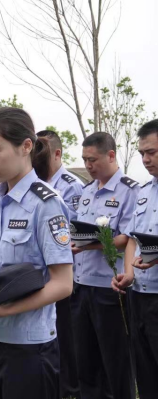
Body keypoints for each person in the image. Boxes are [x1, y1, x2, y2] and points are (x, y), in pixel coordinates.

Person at [0, 107, 74, 399]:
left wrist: (5, 309)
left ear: (26, 146)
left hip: (28, 347)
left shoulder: (46, 204)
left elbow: (62, 284)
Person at [71, 132, 137, 399]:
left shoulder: (130, 191)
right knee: (85, 359)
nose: (88, 165)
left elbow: (128, 236)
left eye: (93, 159)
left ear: (111, 155)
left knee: (115, 359)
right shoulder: (87, 191)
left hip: (109, 288)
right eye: (85, 160)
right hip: (81, 285)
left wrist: (91, 243)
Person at [36, 129, 83, 399]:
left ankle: (69, 389)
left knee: (65, 335)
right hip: (43, 275)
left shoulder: (70, 184)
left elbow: (75, 229)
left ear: (57, 153)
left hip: (64, 270)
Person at [114, 119, 158, 398]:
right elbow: (131, 238)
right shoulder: (144, 192)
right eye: (142, 153)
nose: (145, 159)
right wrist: (129, 272)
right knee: (146, 370)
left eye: (151, 152)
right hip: (140, 295)